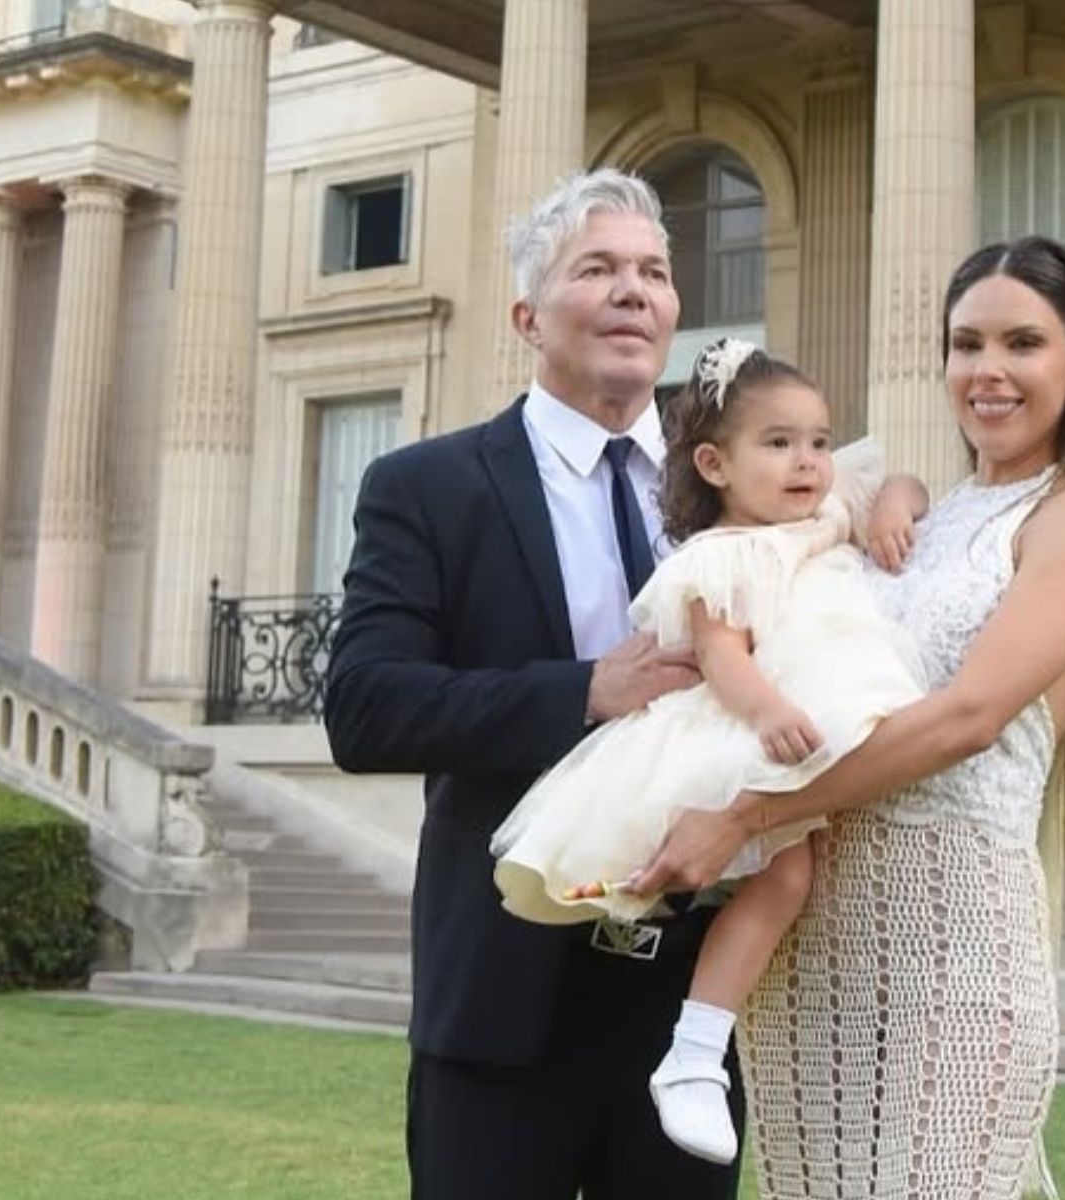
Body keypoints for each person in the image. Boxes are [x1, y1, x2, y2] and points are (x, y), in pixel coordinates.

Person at [628, 236, 1065, 1200]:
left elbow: (969, 717)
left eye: (1022, 343)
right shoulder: (919, 515)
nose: (988, 371)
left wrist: (743, 815)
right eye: (966, 343)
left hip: (951, 932)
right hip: (809, 941)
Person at [323, 169, 734, 1200]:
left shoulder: (731, 486)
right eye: (597, 268)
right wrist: (583, 691)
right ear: (527, 315)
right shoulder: (427, 487)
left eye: (653, 271)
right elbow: (365, 708)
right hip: (502, 1005)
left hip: (689, 1009)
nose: (633, 291)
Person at [488, 337, 927, 1167]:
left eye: (819, 441)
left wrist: (899, 501)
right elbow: (720, 653)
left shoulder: (826, 517)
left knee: (821, 874)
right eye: (779, 443)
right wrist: (765, 712)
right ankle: (695, 1053)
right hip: (760, 726)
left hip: (841, 715)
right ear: (715, 464)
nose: (808, 462)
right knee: (787, 873)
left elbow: (892, 481)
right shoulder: (718, 557)